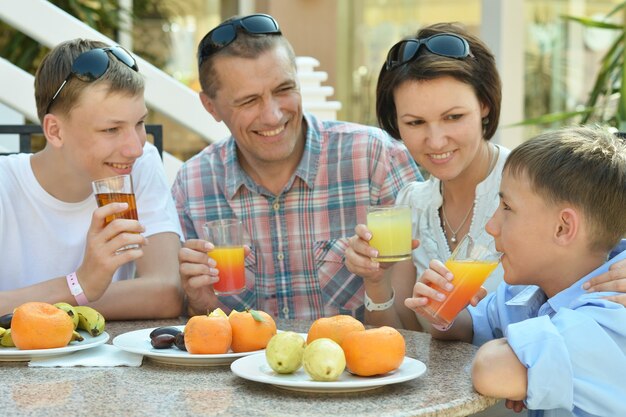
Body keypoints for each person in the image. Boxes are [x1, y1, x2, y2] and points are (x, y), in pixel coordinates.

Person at [344, 22, 626, 331]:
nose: (436, 140)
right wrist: (375, 281)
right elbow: (400, 336)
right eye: (415, 123)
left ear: (484, 106)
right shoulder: (411, 203)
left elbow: (601, 236)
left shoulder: (533, 189)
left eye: (453, 117)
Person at [172, 13, 422, 320]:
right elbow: (202, 331)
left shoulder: (375, 158)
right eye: (249, 101)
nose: (273, 116)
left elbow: (416, 322)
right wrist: (198, 303)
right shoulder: (192, 184)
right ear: (211, 107)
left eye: (283, 89)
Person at [411, 125, 626, 416]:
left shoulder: (607, 315)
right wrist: (443, 310)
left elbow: (491, 370)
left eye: (507, 207)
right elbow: (469, 328)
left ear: (563, 228)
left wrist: (516, 359)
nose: (491, 225)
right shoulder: (525, 293)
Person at [0, 39, 183, 319]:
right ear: (55, 131)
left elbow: (166, 292)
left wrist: (38, 302)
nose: (134, 147)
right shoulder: (5, 184)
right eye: (111, 129)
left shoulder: (140, 163)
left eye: (139, 123)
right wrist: (81, 284)